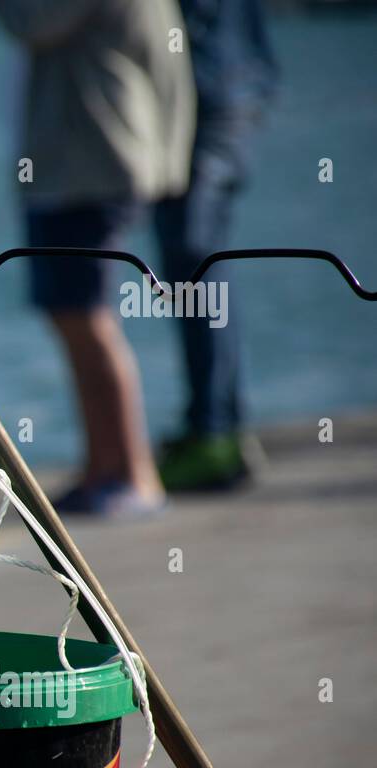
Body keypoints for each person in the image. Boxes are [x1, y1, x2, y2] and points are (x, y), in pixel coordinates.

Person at [0, 0, 195, 517]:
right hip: (85, 169)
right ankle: (103, 468)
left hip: (87, 171)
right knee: (74, 314)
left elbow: (29, 21)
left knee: (88, 316)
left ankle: (133, 476)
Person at [155, 0, 277, 491]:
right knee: (201, 264)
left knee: (197, 262)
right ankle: (212, 426)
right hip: (231, 88)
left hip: (206, 100)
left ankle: (215, 435)